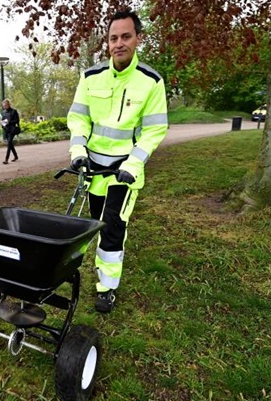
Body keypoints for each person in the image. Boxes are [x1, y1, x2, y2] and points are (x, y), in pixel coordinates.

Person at [66, 10, 168, 313]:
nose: (119, 43)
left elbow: (153, 130)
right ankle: (70, 271)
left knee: (112, 229)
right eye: (113, 38)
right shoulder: (90, 77)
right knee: (90, 226)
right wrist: (77, 152)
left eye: (125, 36)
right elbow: (78, 118)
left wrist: (133, 165)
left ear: (138, 39)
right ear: (107, 43)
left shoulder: (151, 82)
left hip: (124, 173)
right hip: (93, 170)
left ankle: (106, 288)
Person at [0, 98, 20, 164]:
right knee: (10, 143)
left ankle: (6, 159)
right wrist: (3, 124)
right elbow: (3, 120)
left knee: (9, 143)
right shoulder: (3, 112)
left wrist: (9, 122)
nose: (5, 106)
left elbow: (17, 120)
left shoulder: (14, 111)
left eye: (6, 105)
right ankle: (16, 156)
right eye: (4, 105)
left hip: (12, 129)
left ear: (9, 104)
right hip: (6, 129)